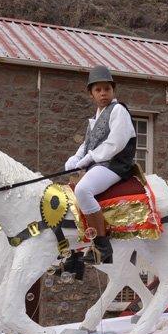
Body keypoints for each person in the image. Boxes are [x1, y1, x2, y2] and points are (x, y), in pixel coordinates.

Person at [65, 66, 136, 264]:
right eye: (98, 90)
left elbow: (115, 142)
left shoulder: (118, 110)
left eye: (107, 89)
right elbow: (88, 143)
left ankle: (102, 248)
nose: (103, 93)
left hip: (115, 165)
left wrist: (89, 158)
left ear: (113, 90)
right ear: (91, 94)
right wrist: (75, 158)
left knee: (83, 190)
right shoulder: (97, 118)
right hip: (99, 165)